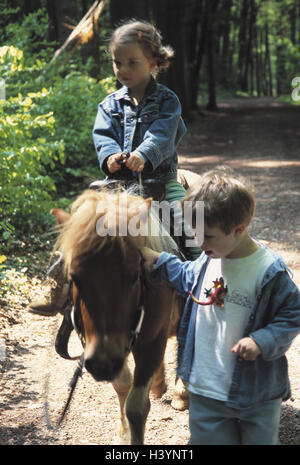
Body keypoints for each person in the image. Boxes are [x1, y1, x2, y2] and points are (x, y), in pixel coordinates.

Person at [28, 19, 200, 316]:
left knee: (187, 230)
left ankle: (201, 282)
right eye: (117, 63)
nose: (123, 70)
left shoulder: (167, 101)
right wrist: (110, 158)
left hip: (160, 183)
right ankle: (58, 286)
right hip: (117, 185)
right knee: (78, 226)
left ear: (154, 62)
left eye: (132, 62)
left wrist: (144, 154)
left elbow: (163, 133)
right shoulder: (109, 105)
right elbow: (103, 136)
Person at [141, 167, 300, 445]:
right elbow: (186, 276)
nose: (199, 243)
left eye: (208, 236)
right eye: (194, 234)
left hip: (255, 395)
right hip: (204, 389)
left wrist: (262, 341)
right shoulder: (208, 259)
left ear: (239, 229)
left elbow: (292, 313)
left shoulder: (269, 271)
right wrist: (154, 258)